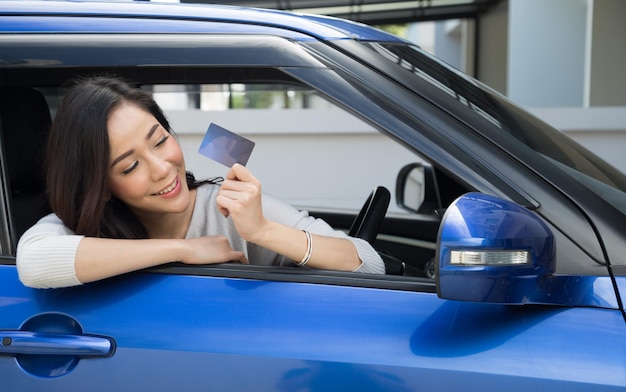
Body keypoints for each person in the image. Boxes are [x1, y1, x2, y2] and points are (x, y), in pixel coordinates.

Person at [16, 76, 385, 289]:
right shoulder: (83, 226)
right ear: (101, 184)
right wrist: (183, 250)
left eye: (160, 140)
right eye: (130, 167)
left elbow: (368, 264)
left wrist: (263, 230)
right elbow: (33, 263)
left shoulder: (225, 207)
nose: (162, 167)